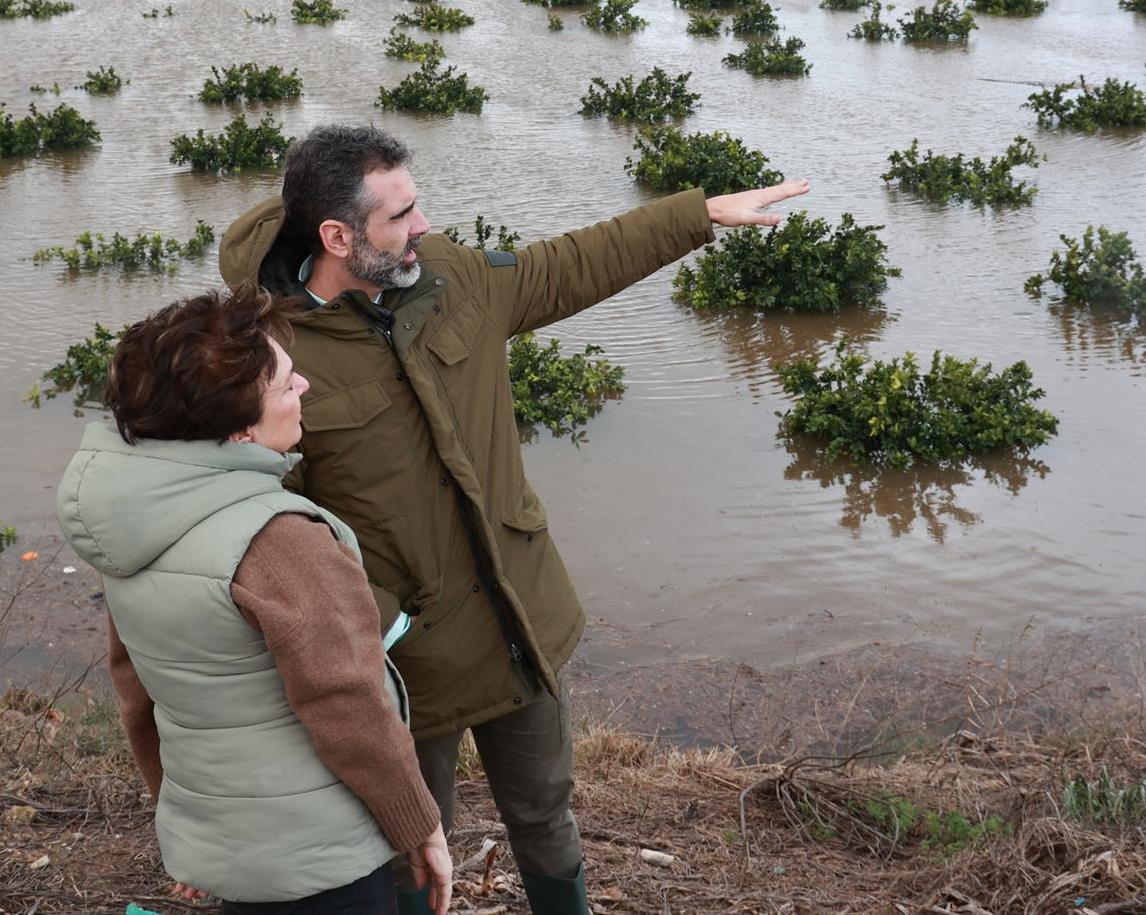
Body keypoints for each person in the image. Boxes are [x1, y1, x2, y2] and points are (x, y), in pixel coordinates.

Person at [220, 124, 808, 914]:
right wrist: (381, 627)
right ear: (336, 235)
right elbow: (263, 518)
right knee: (406, 852)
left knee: (546, 820)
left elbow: (564, 266)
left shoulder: (450, 277)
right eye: (400, 215)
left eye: (416, 205)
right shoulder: (272, 353)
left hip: (514, 621)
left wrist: (697, 215)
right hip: (401, 664)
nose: (423, 225)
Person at [55, 288, 452, 915]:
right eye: (287, 386)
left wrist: (193, 831)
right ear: (240, 428)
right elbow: (347, 702)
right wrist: (420, 826)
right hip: (321, 860)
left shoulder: (131, 522)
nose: (307, 388)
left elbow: (139, 694)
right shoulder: (280, 539)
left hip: (236, 853)